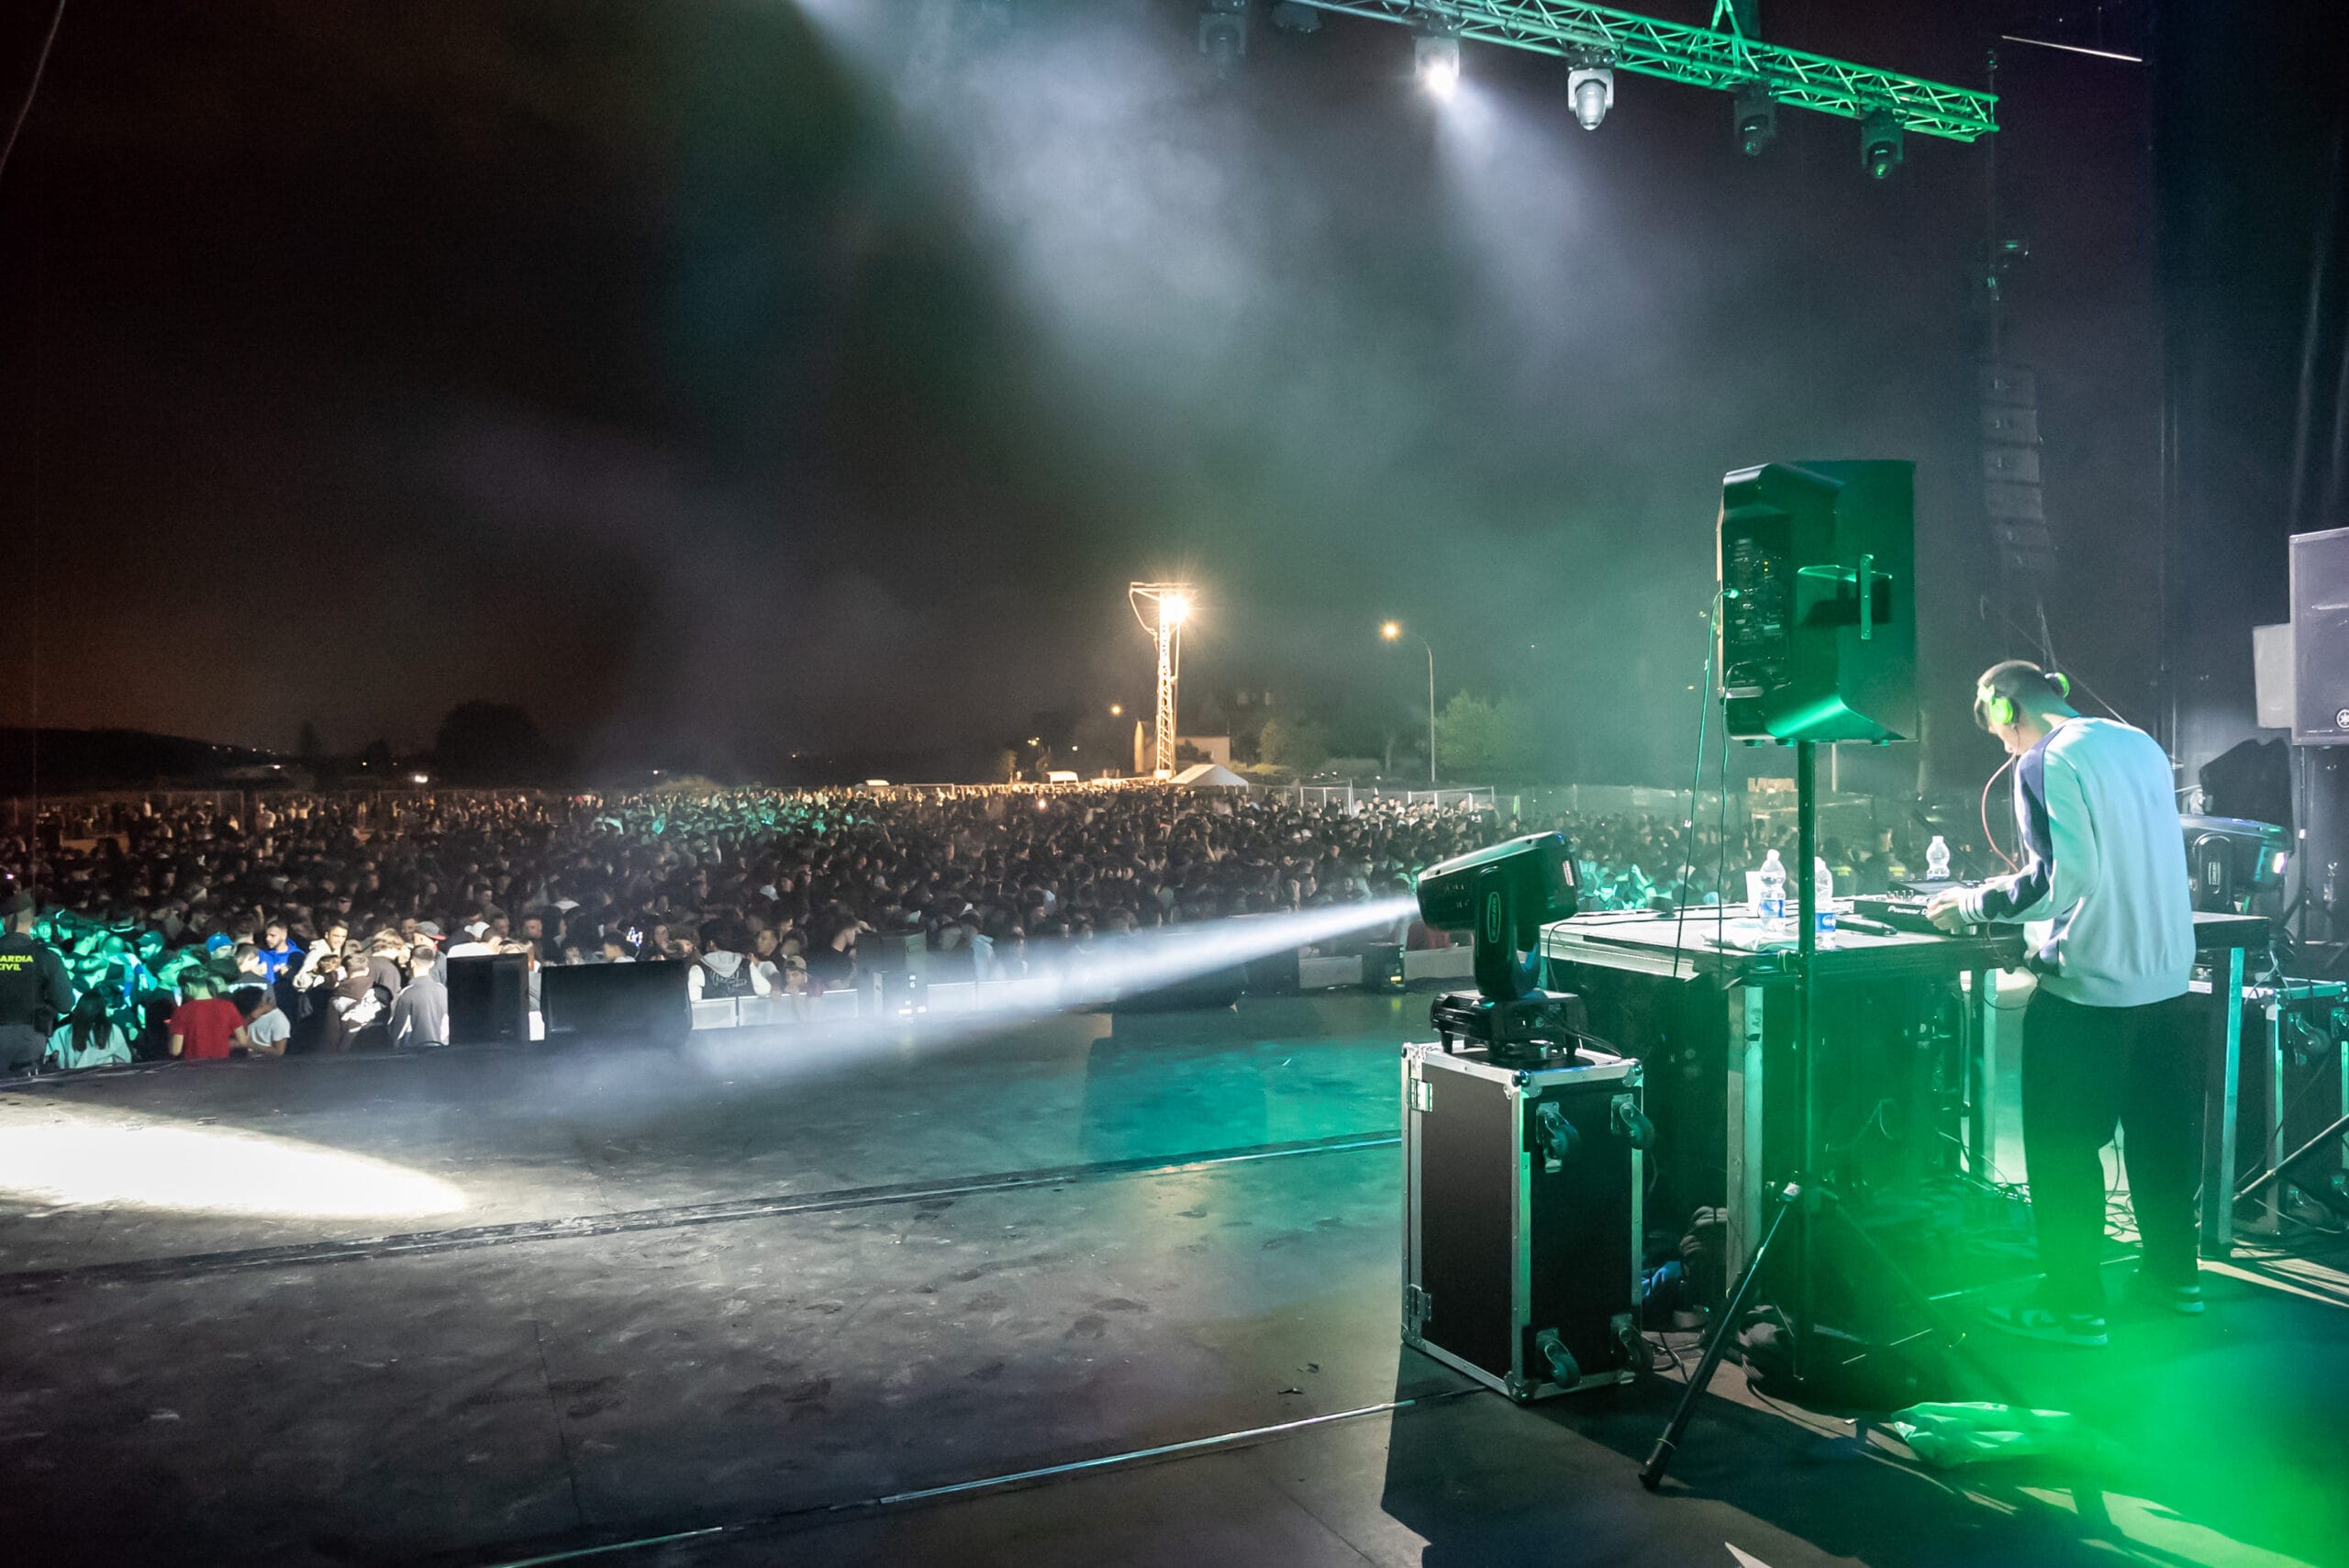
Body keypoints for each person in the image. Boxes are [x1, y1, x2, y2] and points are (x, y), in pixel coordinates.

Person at [1927, 661, 2197, 1347]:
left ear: (2004, 707)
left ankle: (2074, 1309)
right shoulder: (2140, 742)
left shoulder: (2044, 759)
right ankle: (2175, 1282)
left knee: (2063, 1152)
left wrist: (1973, 903)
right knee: (2162, 1146)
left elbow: (2060, 878)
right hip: (2167, 987)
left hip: (2088, 993)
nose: (2003, 744)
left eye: (1997, 729)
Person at [0, 892, 73, 1074]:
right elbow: (65, 1004)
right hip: (30, 1037)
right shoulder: (47, 957)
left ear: (5, 921)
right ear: (32, 921)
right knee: (25, 1087)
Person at [167, 973, 251, 1061]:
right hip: (222, 1064)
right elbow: (243, 1041)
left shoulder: (182, 1011)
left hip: (194, 1065)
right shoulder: (229, 1007)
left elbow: (175, 1050)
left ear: (188, 986)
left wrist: (170, 1032)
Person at [49, 986, 134, 1072]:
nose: (112, 1012)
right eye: (110, 1007)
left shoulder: (61, 1032)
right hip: (103, 1078)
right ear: (100, 1008)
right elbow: (125, 1062)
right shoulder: (113, 1031)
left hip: (68, 1078)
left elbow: (50, 1059)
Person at [388, 943, 449, 1049]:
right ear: (431, 964)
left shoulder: (407, 993)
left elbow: (399, 1030)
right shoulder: (443, 990)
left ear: (412, 963)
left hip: (415, 1050)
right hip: (441, 1048)